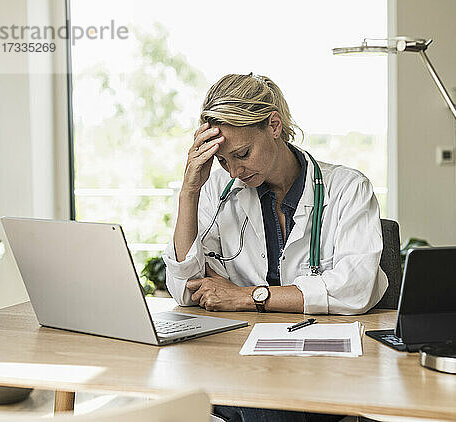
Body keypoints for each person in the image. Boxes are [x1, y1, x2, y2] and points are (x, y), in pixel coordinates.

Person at [162, 73, 388, 422]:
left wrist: (245, 296)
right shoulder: (217, 188)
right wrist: (189, 191)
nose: (235, 171)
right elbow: (186, 288)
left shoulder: (348, 189)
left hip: (318, 365)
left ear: (274, 125)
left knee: (262, 410)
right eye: (223, 161)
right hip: (239, 356)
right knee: (169, 397)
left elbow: (355, 289)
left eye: (242, 154)